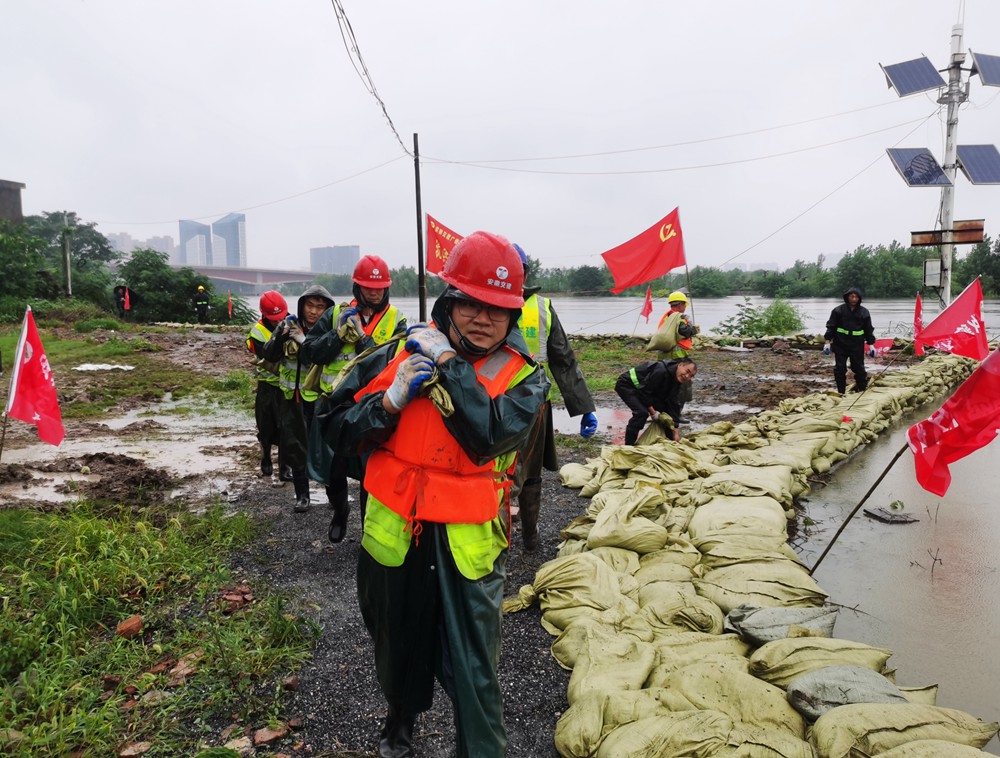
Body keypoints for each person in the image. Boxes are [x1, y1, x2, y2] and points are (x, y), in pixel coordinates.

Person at [316, 231, 548, 758]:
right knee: (394, 644)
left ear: (513, 317)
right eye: (471, 303)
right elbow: (332, 427)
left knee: (473, 670)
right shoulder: (393, 358)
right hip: (393, 534)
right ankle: (398, 726)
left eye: (498, 309)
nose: (483, 319)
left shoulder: (525, 381)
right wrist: (388, 405)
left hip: (467, 548)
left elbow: (487, 436)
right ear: (450, 303)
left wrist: (449, 365)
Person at [303, 254, 407, 542]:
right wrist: (337, 336)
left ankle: (368, 530)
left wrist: (363, 339)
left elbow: (396, 363)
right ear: (357, 287)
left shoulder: (397, 320)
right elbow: (310, 352)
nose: (374, 293)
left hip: (372, 408)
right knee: (332, 472)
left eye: (379, 288)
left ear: (386, 288)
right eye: (368, 287)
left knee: (371, 473)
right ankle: (339, 511)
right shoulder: (335, 314)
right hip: (335, 406)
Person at [511, 242, 597, 551]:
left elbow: (563, 359)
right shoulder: (478, 305)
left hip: (533, 404)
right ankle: (495, 541)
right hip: (490, 403)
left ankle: (530, 537)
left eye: (515, 270)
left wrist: (584, 406)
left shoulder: (542, 307)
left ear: (525, 273)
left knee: (530, 472)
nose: (510, 276)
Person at [262, 284, 335, 512]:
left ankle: (333, 493)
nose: (313, 312)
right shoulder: (288, 323)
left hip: (319, 397)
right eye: (309, 306)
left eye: (319, 307)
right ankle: (302, 495)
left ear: (327, 310)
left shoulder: (328, 331)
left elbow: (314, 359)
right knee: (295, 445)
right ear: (302, 305)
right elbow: (268, 353)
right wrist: (282, 338)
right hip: (291, 397)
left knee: (324, 446)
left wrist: (304, 341)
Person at [246, 290, 288, 478]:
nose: (278, 322)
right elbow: (270, 357)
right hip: (266, 385)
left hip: (286, 387)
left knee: (286, 426)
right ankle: (266, 458)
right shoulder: (257, 332)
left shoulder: (293, 324)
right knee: (265, 425)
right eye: (274, 319)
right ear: (264, 315)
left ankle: (284, 466)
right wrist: (280, 337)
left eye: (281, 318)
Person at [615, 358, 697, 445]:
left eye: (691, 376)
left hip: (644, 390)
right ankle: (628, 445)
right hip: (627, 385)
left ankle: (672, 441)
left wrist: (675, 430)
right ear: (680, 365)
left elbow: (673, 403)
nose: (687, 376)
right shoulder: (661, 370)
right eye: (687, 371)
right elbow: (644, 393)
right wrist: (653, 413)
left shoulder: (677, 378)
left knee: (665, 416)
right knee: (641, 413)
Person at [654, 291, 697, 423]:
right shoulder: (678, 317)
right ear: (681, 305)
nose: (685, 307)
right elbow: (686, 332)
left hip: (665, 358)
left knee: (665, 386)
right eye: (684, 304)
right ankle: (676, 415)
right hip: (677, 358)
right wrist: (691, 325)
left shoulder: (667, 316)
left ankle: (663, 413)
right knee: (680, 388)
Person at [824, 286, 876, 394]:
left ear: (859, 298)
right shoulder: (838, 311)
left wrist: (871, 344)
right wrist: (827, 342)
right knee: (840, 369)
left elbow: (868, 329)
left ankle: (862, 391)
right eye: (852, 296)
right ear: (847, 297)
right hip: (840, 344)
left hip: (857, 344)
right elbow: (831, 326)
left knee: (859, 369)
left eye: (856, 297)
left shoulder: (864, 312)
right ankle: (841, 392)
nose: (854, 299)